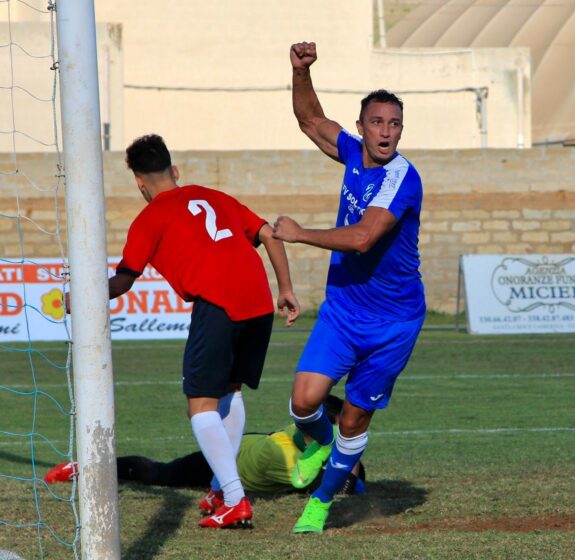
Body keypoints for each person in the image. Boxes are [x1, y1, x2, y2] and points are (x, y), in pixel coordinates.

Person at [68, 134, 301, 528]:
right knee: (229, 391)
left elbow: (124, 281)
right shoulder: (214, 196)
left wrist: (85, 295)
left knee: (200, 404)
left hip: (219, 302)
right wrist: (287, 289)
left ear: (140, 183)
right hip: (258, 298)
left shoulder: (149, 217)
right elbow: (266, 233)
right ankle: (221, 488)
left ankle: (237, 499)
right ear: (174, 171)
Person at [272, 41, 426, 534]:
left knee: (354, 421)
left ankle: (319, 503)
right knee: (303, 401)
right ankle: (318, 447)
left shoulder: (403, 178)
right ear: (361, 127)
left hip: (394, 321)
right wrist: (299, 71)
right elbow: (310, 119)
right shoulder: (352, 154)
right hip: (344, 308)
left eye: (394, 124)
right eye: (377, 123)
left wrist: (300, 234)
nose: (386, 132)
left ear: (402, 129)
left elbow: (362, 239)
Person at [45, 396, 366, 499]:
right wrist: (349, 454)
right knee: (161, 473)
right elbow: (348, 487)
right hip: (220, 464)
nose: (343, 431)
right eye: (338, 425)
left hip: (247, 442)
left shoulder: (299, 435)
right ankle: (85, 468)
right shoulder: (282, 456)